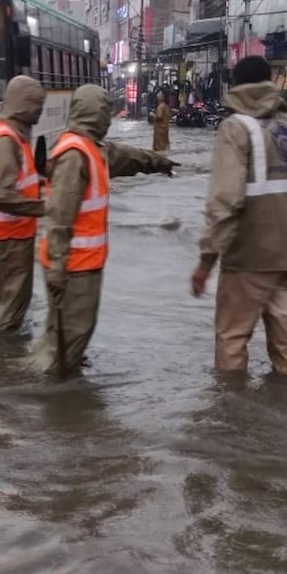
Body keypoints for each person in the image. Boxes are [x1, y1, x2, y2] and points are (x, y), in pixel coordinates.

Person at [190, 55, 287, 377]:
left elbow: (225, 201)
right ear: (271, 83)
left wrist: (206, 261)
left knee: (232, 339)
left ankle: (232, 404)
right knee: (286, 342)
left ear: (235, 86)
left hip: (248, 258)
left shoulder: (235, 128)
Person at [35, 84, 179, 375]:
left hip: (83, 265)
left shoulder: (93, 148)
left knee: (71, 334)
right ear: (95, 113)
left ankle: (54, 378)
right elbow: (60, 217)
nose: (108, 118)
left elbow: (128, 157)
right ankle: (50, 388)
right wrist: (58, 270)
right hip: (72, 267)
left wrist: (159, 162)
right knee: (68, 340)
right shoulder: (74, 154)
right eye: (105, 112)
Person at [0, 75, 47, 333]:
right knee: (13, 304)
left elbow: (13, 180)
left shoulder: (7, 133)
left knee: (0, 302)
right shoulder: (7, 140)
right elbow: (3, 195)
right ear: (23, 103)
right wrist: (45, 208)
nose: (40, 110)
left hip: (0, 231)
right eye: (37, 104)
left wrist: (39, 183)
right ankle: (2, 350)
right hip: (11, 235)